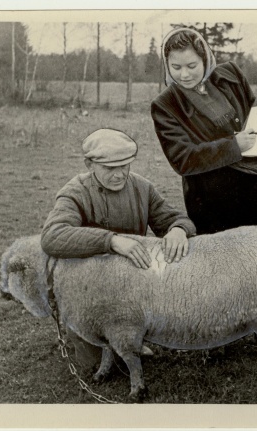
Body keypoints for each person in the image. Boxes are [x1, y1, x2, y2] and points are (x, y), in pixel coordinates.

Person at [41, 127, 197, 368]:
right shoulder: (75, 192)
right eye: (109, 168)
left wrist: (178, 229)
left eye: (124, 166)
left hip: (132, 285)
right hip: (89, 293)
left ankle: (132, 333)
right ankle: (91, 336)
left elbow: (176, 219)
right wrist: (111, 241)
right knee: (91, 364)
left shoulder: (142, 187)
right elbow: (52, 236)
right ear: (89, 164)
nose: (119, 175)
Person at [151, 27, 257, 235]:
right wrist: (233, 146)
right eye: (176, 67)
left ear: (205, 59)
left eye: (192, 65)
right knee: (227, 263)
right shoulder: (166, 105)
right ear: (167, 65)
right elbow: (182, 159)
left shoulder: (230, 75)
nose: (184, 74)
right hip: (213, 200)